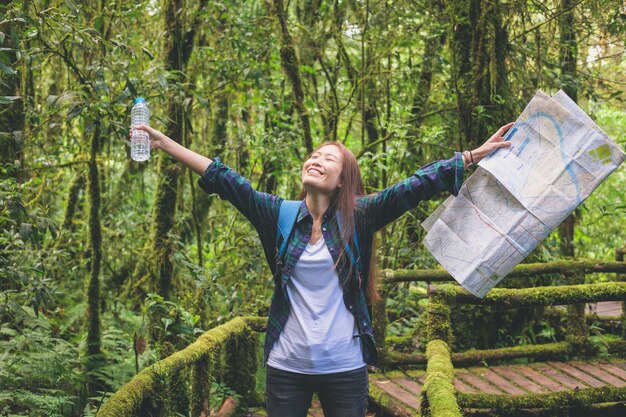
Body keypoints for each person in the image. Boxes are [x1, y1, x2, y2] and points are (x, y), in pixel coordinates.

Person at [132, 122, 513, 417]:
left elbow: (413, 187)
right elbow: (225, 179)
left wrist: (470, 156)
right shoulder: (277, 214)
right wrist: (165, 143)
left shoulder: (360, 216)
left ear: (343, 179)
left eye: (328, 159)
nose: (316, 159)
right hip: (286, 364)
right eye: (313, 155)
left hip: (345, 366)